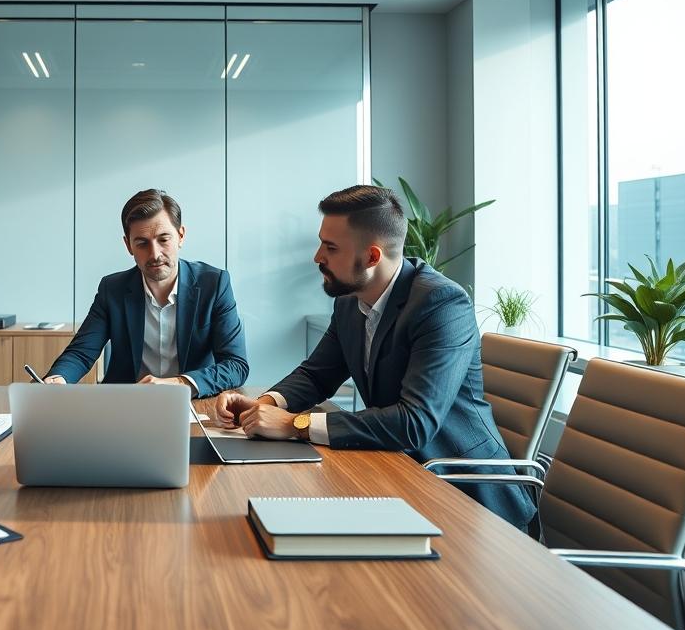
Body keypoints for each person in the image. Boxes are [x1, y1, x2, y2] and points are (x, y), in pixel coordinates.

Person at [213, 185, 534, 529]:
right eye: (322, 242)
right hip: (396, 475)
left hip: (465, 497)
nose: (317, 256)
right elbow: (317, 374)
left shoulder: (441, 305)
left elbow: (415, 423)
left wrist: (295, 425)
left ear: (372, 257)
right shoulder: (350, 300)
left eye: (331, 247)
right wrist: (264, 406)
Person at [43, 188, 247, 397]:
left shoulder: (214, 284)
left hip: (192, 403)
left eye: (163, 239)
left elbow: (235, 365)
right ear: (128, 245)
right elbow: (81, 353)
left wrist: (180, 383)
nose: (155, 254)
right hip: (126, 405)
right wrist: (58, 378)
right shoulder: (112, 289)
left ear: (180, 236)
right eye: (142, 243)